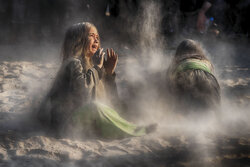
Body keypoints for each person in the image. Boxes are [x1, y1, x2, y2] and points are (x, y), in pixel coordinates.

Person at [37, 22, 156, 139]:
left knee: (118, 105)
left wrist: (109, 73)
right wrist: (98, 68)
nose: (96, 40)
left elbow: (110, 101)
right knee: (95, 107)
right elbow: (83, 92)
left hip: (87, 125)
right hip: (67, 126)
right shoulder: (72, 63)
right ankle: (134, 132)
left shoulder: (93, 66)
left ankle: (133, 127)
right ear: (78, 40)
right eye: (91, 36)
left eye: (97, 37)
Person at [166, 39, 220, 112]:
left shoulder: (176, 64)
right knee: (213, 107)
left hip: (186, 78)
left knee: (184, 110)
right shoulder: (206, 61)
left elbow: (170, 85)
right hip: (209, 80)